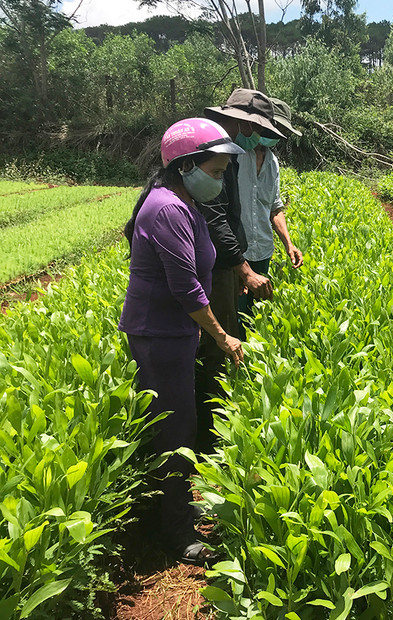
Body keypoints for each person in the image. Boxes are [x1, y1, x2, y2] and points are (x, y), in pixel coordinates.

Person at [119, 118, 245, 565]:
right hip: (161, 335)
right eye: (214, 171)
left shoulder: (182, 202)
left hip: (173, 333)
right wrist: (224, 336)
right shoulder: (168, 208)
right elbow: (186, 288)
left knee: (179, 424)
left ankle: (177, 509)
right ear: (185, 165)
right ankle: (174, 530)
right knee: (174, 432)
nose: (220, 179)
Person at [194, 88, 285, 452]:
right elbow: (217, 218)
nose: (252, 133)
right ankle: (209, 431)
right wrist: (244, 269)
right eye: (250, 126)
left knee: (228, 334)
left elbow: (240, 214)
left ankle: (216, 416)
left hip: (229, 260)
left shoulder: (230, 148)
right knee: (218, 342)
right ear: (239, 120)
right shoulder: (214, 149)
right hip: (216, 263)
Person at [236, 96, 304, 337]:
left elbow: (274, 207)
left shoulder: (273, 162)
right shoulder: (234, 156)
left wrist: (289, 244)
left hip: (262, 251)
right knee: (235, 317)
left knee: (255, 318)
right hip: (235, 255)